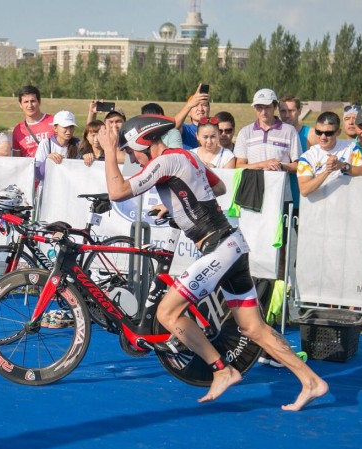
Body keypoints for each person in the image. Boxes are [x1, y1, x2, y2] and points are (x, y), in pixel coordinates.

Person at [99, 114, 328, 409]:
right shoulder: (187, 157)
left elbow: (117, 192)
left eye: (131, 152)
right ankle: (311, 381)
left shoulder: (164, 161)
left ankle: (222, 370)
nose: (132, 158)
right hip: (233, 245)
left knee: (168, 313)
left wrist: (109, 152)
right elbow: (217, 188)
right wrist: (176, 203)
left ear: (143, 142)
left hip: (219, 248)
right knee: (253, 328)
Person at [296, 112, 362, 196]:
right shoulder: (307, 157)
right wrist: (327, 171)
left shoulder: (351, 147)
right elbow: (304, 190)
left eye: (328, 133)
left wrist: (342, 165)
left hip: (346, 202)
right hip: (320, 204)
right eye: (318, 132)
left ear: (338, 132)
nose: (323, 137)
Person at [233, 88, 301, 173]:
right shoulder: (245, 132)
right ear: (254, 108)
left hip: (279, 182)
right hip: (253, 181)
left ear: (275, 107)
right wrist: (261, 165)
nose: (263, 112)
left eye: (267, 107)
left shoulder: (290, 131)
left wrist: (281, 166)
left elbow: (299, 165)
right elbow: (239, 166)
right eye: (259, 107)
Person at [34, 110, 81, 182]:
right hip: (49, 187)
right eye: (65, 127)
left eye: (71, 126)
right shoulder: (46, 144)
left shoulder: (78, 144)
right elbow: (38, 175)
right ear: (55, 128)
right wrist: (47, 160)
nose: (69, 130)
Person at [11, 85, 54, 157]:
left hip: (51, 164)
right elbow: (16, 160)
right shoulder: (18, 130)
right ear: (20, 105)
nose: (30, 105)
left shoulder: (54, 121)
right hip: (29, 164)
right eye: (26, 102)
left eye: (33, 101)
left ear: (39, 102)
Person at [174, 84, 211, 149]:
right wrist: (189, 105)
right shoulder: (186, 129)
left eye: (204, 105)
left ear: (209, 109)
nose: (200, 109)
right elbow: (173, 126)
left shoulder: (216, 129)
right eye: (195, 105)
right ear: (189, 112)